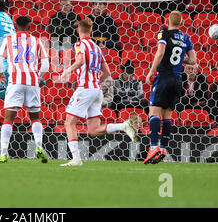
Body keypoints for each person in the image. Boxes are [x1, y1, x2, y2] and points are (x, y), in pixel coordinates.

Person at [60, 18, 138, 167]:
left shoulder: (80, 44)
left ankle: (76, 159)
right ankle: (123, 126)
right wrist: (95, 80)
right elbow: (107, 72)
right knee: (94, 130)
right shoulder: (97, 47)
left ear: (78, 31)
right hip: (97, 90)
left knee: (69, 122)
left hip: (85, 89)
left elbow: (81, 61)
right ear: (91, 31)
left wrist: (67, 71)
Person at [0, 16, 50, 164]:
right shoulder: (37, 41)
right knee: (35, 118)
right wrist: (37, 76)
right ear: (30, 26)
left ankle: (4, 153)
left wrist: (0, 73)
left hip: (15, 81)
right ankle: (39, 146)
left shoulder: (8, 39)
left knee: (8, 118)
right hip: (32, 82)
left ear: (15, 25)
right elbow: (46, 66)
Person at [144, 11, 196, 164]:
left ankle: (153, 147)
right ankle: (163, 148)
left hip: (164, 77)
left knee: (153, 112)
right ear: (181, 23)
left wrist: (151, 72)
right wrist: (181, 59)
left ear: (168, 21)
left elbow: (160, 52)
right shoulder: (186, 38)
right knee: (167, 116)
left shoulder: (164, 34)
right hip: (178, 79)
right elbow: (193, 60)